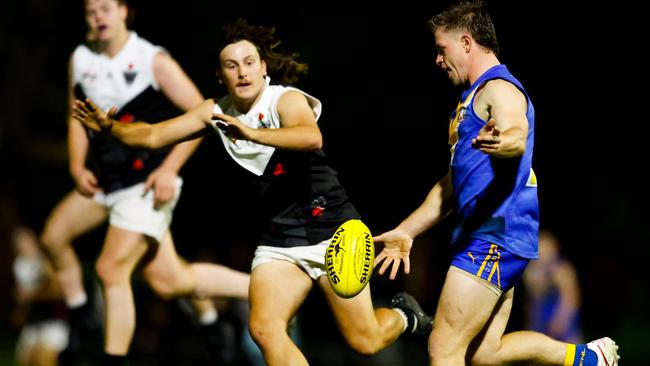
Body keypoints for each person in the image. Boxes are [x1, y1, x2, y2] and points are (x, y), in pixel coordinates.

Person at [72, 18, 433, 365]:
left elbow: (310, 136)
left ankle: (404, 315)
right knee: (263, 328)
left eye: (248, 63)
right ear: (220, 75)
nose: (242, 72)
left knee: (364, 341)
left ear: (263, 67)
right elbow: (152, 135)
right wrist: (111, 128)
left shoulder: (284, 100)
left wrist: (253, 133)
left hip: (333, 231)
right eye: (231, 65)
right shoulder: (216, 111)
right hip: (279, 240)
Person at [372, 2, 620, 366]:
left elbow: (515, 131)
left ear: (467, 42)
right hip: (491, 238)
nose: (438, 60)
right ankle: (587, 357)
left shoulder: (499, 88)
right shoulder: (467, 104)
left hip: (493, 237)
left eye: (442, 49)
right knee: (485, 354)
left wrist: (507, 142)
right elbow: (449, 187)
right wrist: (406, 232)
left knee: (443, 348)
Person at [39, 0, 250, 364]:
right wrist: (77, 166)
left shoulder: (153, 60)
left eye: (105, 8)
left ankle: (110, 355)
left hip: (146, 186)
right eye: (91, 11)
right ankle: (83, 317)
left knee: (109, 268)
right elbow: (75, 117)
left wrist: (169, 168)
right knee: (164, 279)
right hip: (107, 183)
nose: (98, 17)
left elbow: (206, 115)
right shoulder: (81, 58)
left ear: (124, 11)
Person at [11, 226, 69, 366]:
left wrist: (32, 295)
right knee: (26, 360)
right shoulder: (19, 264)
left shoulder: (45, 261)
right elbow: (20, 293)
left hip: (53, 320)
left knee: (44, 360)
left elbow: (58, 291)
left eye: (25, 241)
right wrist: (20, 309)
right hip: (33, 320)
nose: (23, 245)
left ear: (34, 241)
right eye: (19, 243)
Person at [523, 230, 583, 343]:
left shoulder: (561, 268)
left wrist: (561, 320)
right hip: (540, 319)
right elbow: (533, 296)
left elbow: (571, 296)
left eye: (546, 248)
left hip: (562, 322)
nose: (542, 252)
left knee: (570, 354)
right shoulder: (532, 269)